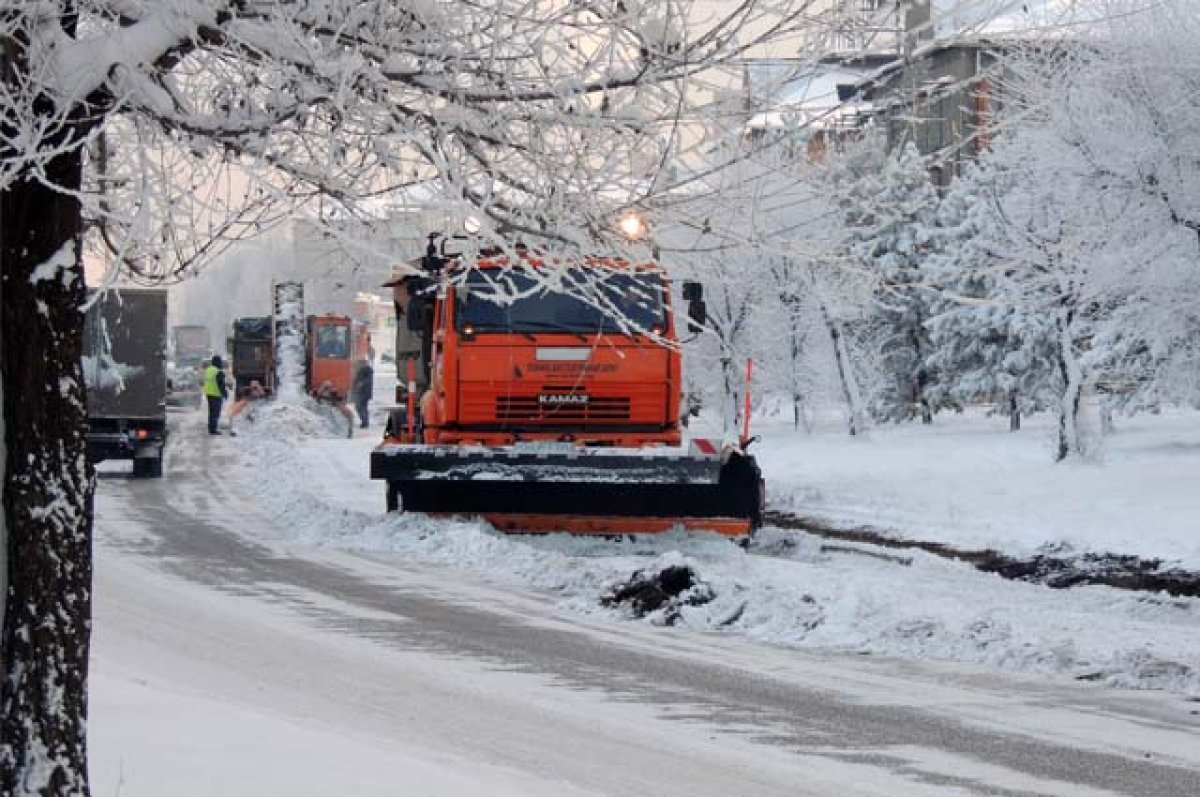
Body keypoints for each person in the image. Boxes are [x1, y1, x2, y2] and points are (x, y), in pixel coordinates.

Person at [202, 355, 229, 435]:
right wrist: (225, 394)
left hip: (208, 394)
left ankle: (211, 427)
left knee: (211, 412)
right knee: (215, 413)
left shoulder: (208, 369)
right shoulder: (218, 371)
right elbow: (221, 385)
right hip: (216, 394)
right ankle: (213, 430)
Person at [352, 359, 374, 429]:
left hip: (364, 392)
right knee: (360, 407)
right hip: (360, 391)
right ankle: (364, 422)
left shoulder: (368, 370)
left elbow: (368, 380)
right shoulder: (361, 370)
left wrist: (361, 384)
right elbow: (356, 380)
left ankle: (365, 422)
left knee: (360, 407)